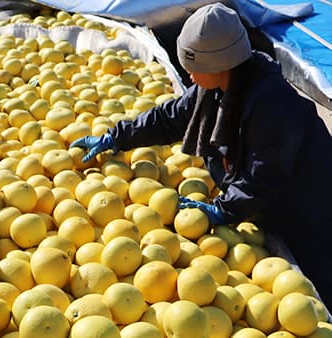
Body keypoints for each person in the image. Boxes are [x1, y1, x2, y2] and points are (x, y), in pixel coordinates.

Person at [71, 2, 332, 306]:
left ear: (221, 64)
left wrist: (223, 209)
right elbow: (169, 118)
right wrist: (116, 137)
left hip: (309, 203)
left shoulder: (272, 105)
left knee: (317, 271)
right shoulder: (217, 87)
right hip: (272, 198)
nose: (189, 75)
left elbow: (265, 175)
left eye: (193, 67)